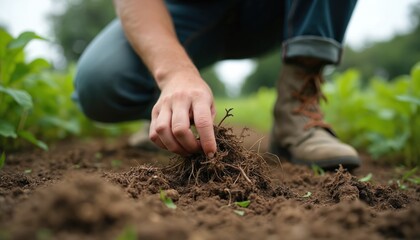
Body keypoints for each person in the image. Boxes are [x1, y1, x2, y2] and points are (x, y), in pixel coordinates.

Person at [73, 0, 361, 169]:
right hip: (189, 8)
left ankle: (296, 115)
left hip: (273, 11)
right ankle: (169, 115)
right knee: (100, 81)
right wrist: (174, 73)